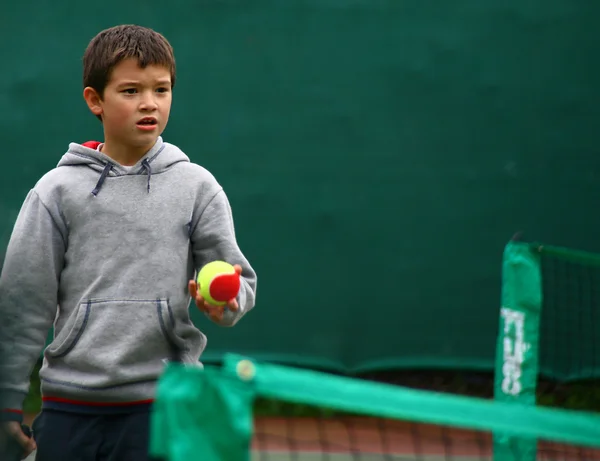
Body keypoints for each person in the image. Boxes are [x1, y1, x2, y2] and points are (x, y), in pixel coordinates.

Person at [0, 24, 257, 460]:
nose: (149, 103)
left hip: (163, 404)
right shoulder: (55, 192)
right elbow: (23, 303)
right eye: (131, 90)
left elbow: (239, 282)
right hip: (70, 405)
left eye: (161, 89)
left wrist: (226, 305)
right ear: (95, 100)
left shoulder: (197, 187)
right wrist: (6, 403)